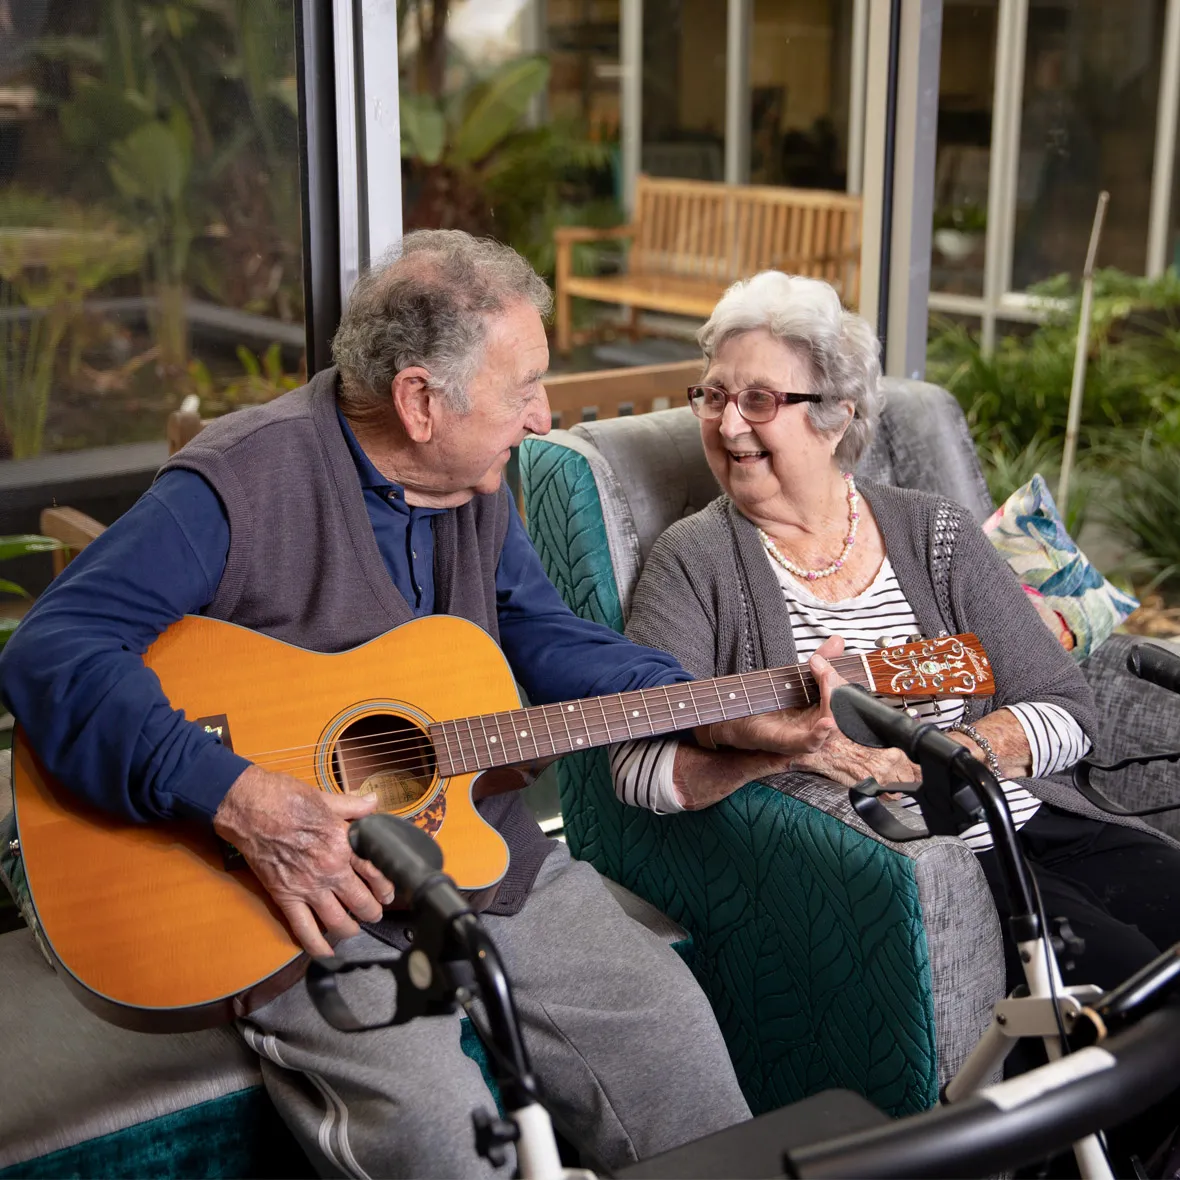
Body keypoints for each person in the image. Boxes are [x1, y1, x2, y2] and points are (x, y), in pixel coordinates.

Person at [0, 233, 846, 1179]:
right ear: (418, 400)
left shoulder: (472, 481)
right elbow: (53, 649)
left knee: (672, 1034)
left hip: (481, 855)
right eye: (523, 387)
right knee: (439, 1140)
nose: (540, 418)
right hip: (306, 900)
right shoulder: (238, 482)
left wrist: (705, 708)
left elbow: (545, 634)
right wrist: (239, 797)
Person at [610, 268, 1180, 999]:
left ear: (836, 417)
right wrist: (777, 751)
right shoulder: (696, 560)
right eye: (714, 396)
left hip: (1036, 820)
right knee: (1140, 997)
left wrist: (952, 761)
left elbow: (1067, 708)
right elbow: (636, 769)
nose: (726, 425)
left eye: (758, 400)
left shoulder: (931, 530)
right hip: (918, 870)